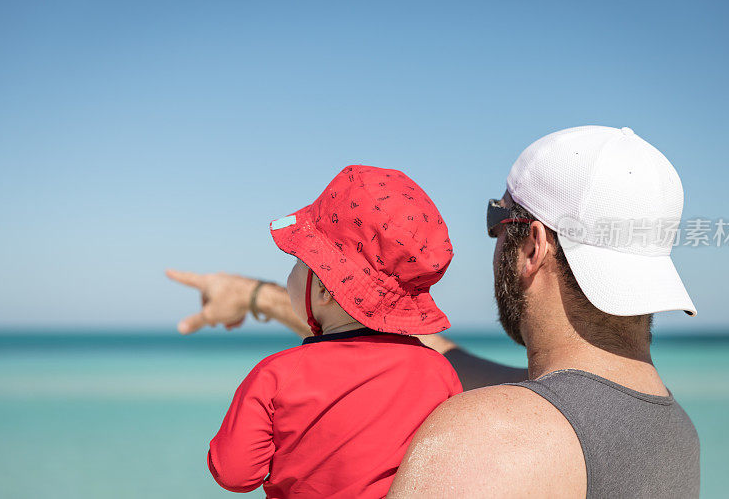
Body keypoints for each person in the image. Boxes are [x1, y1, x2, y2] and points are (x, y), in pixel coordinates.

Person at [168, 126, 700, 498]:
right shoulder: (674, 431)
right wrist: (256, 295)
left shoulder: (485, 437)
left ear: (533, 244)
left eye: (498, 218)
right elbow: (396, 355)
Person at [203, 165, 462, 498]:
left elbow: (234, 474)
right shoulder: (439, 372)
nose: (292, 272)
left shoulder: (276, 375)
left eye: (298, 261)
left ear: (325, 288)